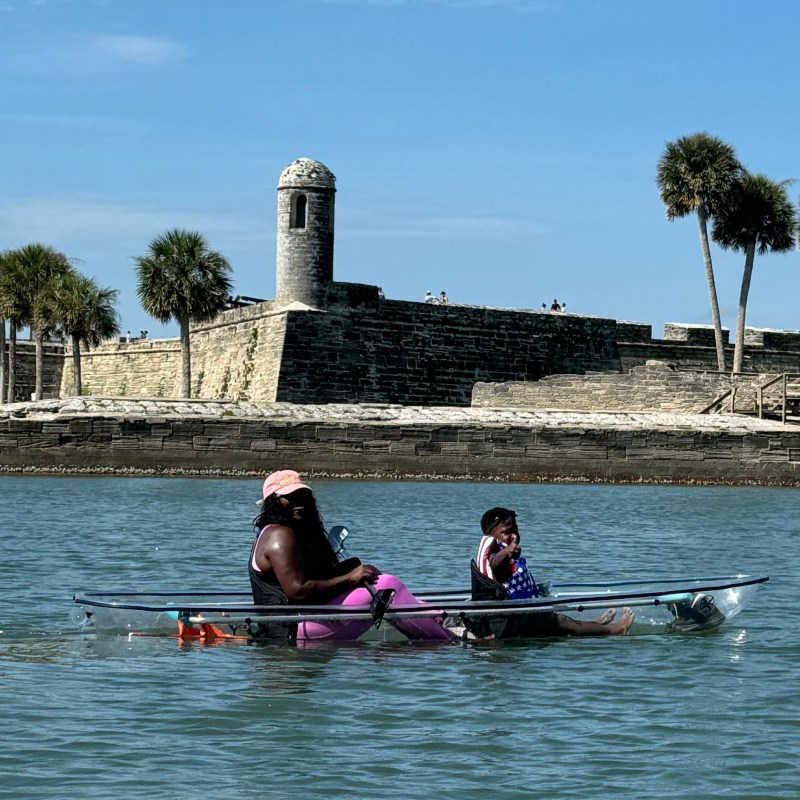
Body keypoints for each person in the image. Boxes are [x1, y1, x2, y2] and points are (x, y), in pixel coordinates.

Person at [250, 470, 453, 642]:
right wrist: (351, 578)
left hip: (301, 621)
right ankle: (448, 640)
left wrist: (348, 570)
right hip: (291, 629)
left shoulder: (284, 531)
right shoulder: (279, 535)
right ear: (273, 502)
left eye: (302, 495)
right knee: (388, 585)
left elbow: (314, 578)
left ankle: (430, 618)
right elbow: (298, 591)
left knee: (376, 580)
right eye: (289, 497)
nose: (299, 502)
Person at [477, 507, 633, 636]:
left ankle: (593, 625)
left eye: (516, 530)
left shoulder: (510, 551)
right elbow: (494, 562)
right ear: (492, 536)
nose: (514, 536)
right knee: (560, 621)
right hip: (510, 620)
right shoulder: (495, 554)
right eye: (507, 532)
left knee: (557, 617)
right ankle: (615, 630)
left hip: (522, 612)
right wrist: (507, 551)